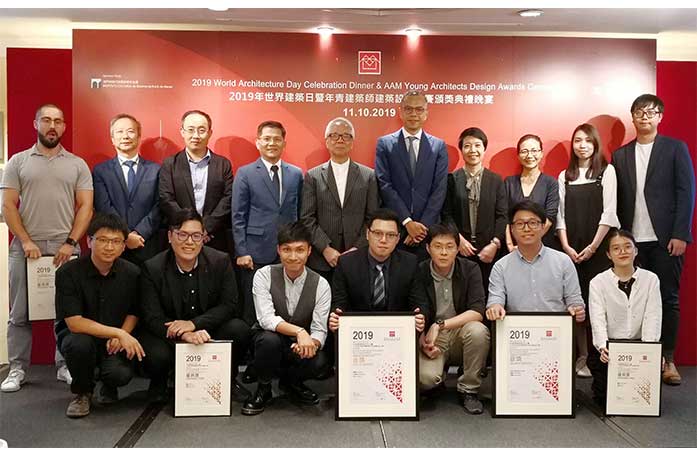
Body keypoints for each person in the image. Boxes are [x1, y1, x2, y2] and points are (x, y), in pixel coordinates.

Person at [1, 103, 93, 393]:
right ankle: (17, 369)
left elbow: (86, 207)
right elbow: (7, 205)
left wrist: (70, 242)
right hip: (25, 248)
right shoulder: (17, 162)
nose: (52, 126)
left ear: (64, 126)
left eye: (58, 121)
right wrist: (26, 240)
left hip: (66, 248)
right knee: (19, 313)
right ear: (36, 123)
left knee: (67, 312)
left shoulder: (77, 164)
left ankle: (65, 365)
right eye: (46, 120)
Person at [611, 94, 695, 386]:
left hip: (665, 240)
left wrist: (680, 234)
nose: (644, 116)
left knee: (668, 299)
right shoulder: (620, 155)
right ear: (632, 117)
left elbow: (687, 192)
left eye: (651, 111)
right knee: (632, 300)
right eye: (639, 111)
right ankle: (639, 358)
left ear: (660, 116)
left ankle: (668, 360)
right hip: (631, 243)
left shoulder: (675, 148)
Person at [139, 209, 251, 403]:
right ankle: (160, 381)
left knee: (238, 329)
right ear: (170, 236)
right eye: (182, 235)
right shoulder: (153, 268)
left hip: (207, 329)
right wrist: (184, 333)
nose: (189, 242)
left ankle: (229, 379)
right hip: (170, 331)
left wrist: (194, 324)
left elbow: (229, 305)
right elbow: (152, 317)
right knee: (156, 352)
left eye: (196, 236)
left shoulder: (220, 261)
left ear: (203, 238)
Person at [54, 213, 144, 418]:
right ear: (89, 241)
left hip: (114, 339)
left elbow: (134, 311)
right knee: (78, 345)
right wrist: (118, 333)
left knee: (120, 373)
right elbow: (74, 323)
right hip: (80, 336)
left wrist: (122, 334)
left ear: (124, 246)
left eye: (116, 241)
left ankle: (109, 385)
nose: (109, 247)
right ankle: (82, 393)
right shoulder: (68, 273)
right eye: (102, 240)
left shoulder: (132, 273)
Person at [241, 222, 331, 416]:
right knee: (268, 340)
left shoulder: (321, 284)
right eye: (287, 250)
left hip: (300, 345)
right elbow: (266, 319)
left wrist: (311, 344)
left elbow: (319, 329)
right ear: (278, 250)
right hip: (269, 339)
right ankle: (264, 388)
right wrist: (299, 332)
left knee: (320, 360)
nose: (293, 256)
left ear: (309, 251)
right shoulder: (263, 275)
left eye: (300, 250)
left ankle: (291, 383)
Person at [556, 123, 620, 378]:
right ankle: (582, 356)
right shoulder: (565, 176)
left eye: (587, 140)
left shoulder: (607, 171)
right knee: (576, 303)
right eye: (577, 140)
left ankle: (600, 354)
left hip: (599, 247)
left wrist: (593, 247)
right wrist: (566, 247)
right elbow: (559, 215)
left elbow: (610, 213)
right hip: (572, 249)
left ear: (595, 144)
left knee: (599, 303)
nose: (582, 145)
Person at [232, 120, 304, 327]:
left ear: (284, 143)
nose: (272, 143)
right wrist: (242, 251)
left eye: (277, 139)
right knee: (252, 308)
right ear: (258, 142)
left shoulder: (296, 174)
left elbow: (299, 212)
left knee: (283, 306)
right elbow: (238, 215)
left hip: (288, 251)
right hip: (255, 252)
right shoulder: (245, 173)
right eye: (267, 139)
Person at [417, 224, 490, 414]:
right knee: (426, 379)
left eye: (449, 247)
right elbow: (416, 311)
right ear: (428, 248)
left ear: (458, 249)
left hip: (460, 332)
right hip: (433, 340)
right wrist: (423, 341)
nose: (443, 252)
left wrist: (439, 325)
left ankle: (469, 389)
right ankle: (438, 379)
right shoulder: (419, 271)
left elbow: (477, 311)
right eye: (437, 246)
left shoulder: (470, 269)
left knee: (478, 331)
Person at [300, 117, 380, 283]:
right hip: (321, 259)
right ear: (327, 141)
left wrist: (357, 248)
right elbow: (307, 218)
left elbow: (372, 218)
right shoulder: (313, 176)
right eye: (334, 135)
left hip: (358, 257)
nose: (340, 140)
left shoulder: (368, 176)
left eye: (346, 136)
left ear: (352, 143)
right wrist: (325, 248)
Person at [587, 229, 662, 406]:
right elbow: (597, 319)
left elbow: (653, 316)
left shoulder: (651, 280)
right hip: (609, 349)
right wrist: (602, 346)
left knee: (642, 399)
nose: (623, 252)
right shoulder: (598, 282)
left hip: (639, 345)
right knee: (604, 399)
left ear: (636, 250)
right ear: (608, 254)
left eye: (628, 247)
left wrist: (650, 351)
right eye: (616, 248)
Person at [375, 90, 448, 261]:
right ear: (400, 112)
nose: (414, 114)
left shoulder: (438, 146)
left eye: (419, 109)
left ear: (426, 113)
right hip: (396, 229)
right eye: (408, 109)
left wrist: (421, 229)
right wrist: (407, 222)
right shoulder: (385, 144)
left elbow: (439, 189)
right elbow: (384, 184)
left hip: (428, 231)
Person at [329, 208, 427, 333]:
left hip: (395, 332)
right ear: (367, 234)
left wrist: (421, 317)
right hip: (359, 331)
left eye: (390, 235)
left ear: (398, 238)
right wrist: (335, 317)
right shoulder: (347, 263)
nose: (383, 240)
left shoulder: (410, 263)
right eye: (377, 233)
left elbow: (420, 303)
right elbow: (339, 303)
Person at [486, 200, 585, 323]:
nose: (526, 228)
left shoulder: (563, 261)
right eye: (520, 224)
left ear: (543, 227)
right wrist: (495, 308)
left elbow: (575, 302)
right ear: (512, 229)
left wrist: (577, 310)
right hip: (518, 330)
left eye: (533, 223)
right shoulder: (501, 266)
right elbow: (495, 300)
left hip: (555, 329)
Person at [158, 110, 234, 255]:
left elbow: (228, 198)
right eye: (191, 130)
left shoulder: (223, 164)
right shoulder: (170, 164)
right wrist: (190, 229)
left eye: (201, 130)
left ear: (210, 133)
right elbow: (166, 199)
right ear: (182, 132)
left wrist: (206, 228)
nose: (196, 135)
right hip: (181, 236)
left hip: (214, 237)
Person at [442, 126, 507, 294]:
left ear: (484, 149)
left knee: (489, 293)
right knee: (461, 293)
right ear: (461, 150)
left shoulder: (496, 180)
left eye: (477, 145)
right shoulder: (451, 179)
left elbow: (502, 215)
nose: (473, 150)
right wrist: (458, 240)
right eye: (467, 146)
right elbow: (446, 214)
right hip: (459, 249)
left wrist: (494, 244)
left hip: (489, 250)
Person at [93, 113, 163, 265]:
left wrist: (139, 232)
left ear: (139, 137)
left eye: (130, 131)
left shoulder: (156, 170)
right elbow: (104, 207)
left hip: (148, 245)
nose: (125, 136)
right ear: (112, 139)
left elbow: (159, 207)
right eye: (119, 132)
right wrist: (125, 235)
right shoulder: (100, 171)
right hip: (114, 247)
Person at [504, 134, 559, 251]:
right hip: (513, 248)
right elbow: (505, 216)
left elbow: (550, 218)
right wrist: (510, 245)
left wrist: (528, 243)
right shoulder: (509, 183)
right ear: (518, 156)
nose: (529, 155)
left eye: (534, 151)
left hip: (543, 246)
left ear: (541, 153)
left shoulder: (551, 183)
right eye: (524, 151)